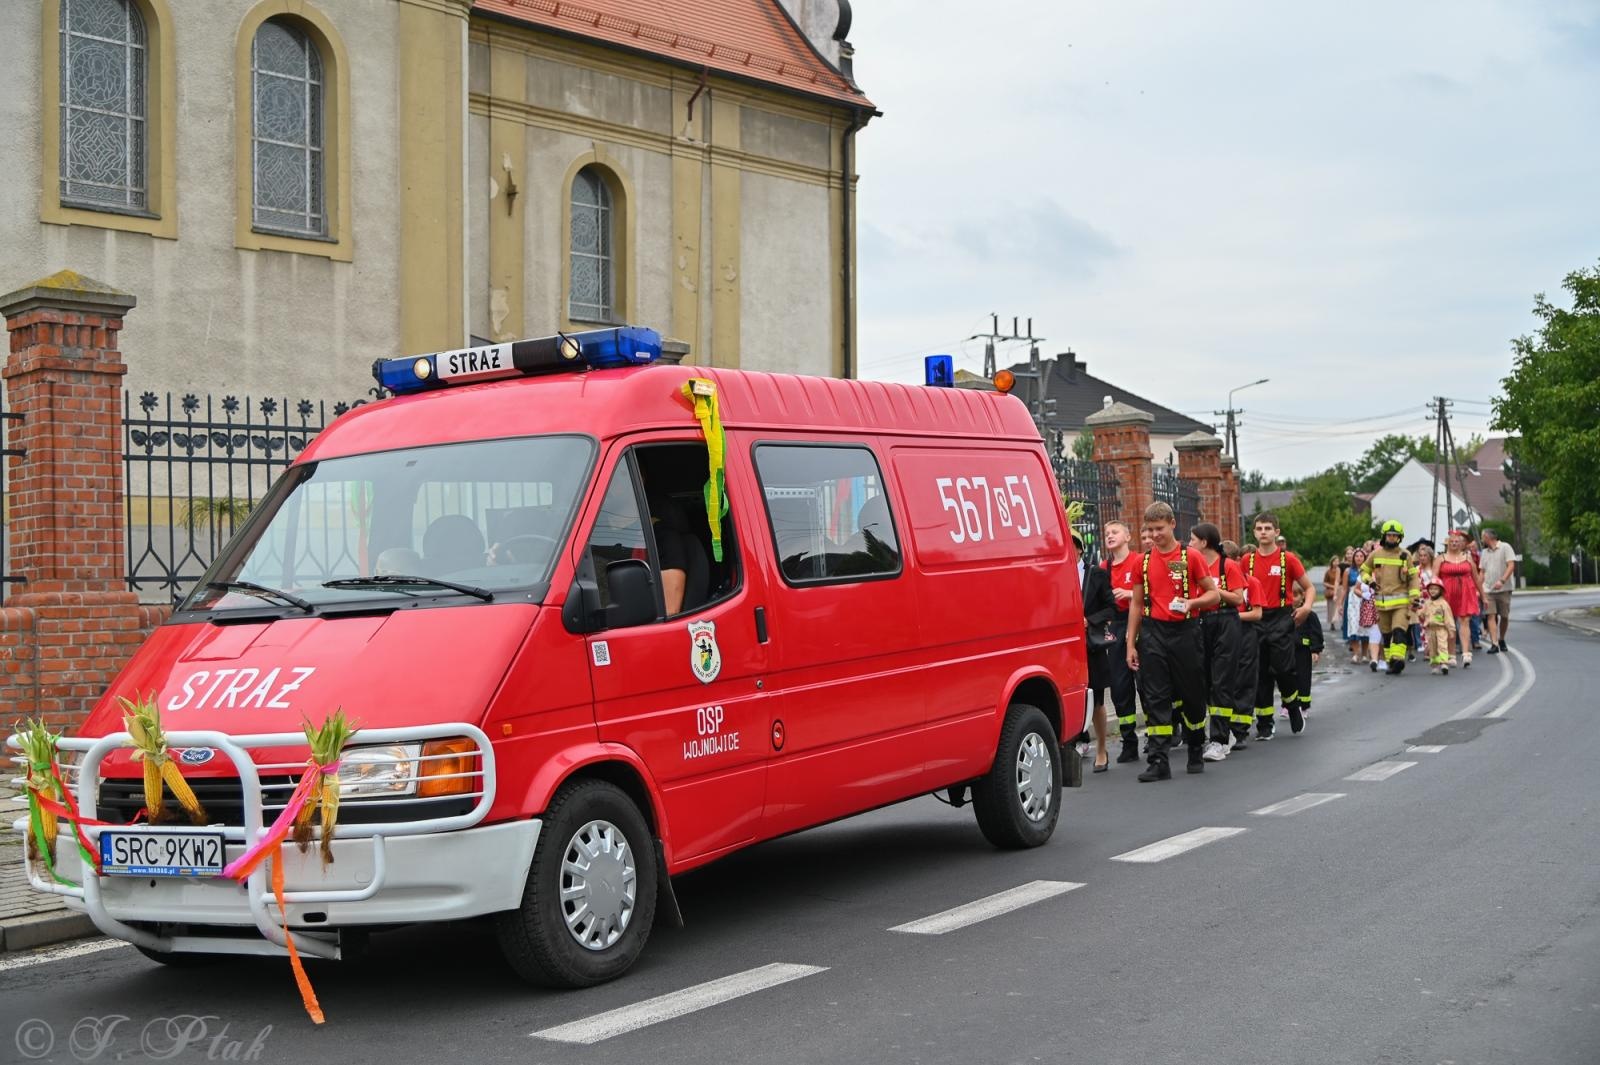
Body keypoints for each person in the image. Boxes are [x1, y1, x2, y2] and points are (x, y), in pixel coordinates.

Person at [1125, 502, 1221, 781]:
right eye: (1150, 530)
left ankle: (1194, 746)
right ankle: (1158, 760)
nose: (1155, 535)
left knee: (1191, 694)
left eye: (1159, 528)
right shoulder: (1141, 561)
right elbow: (1136, 605)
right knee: (1155, 696)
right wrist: (1130, 644)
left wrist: (1192, 602)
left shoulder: (1190, 556)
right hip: (1154, 633)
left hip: (1186, 632)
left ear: (1172, 524)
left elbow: (1213, 595)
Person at [1244, 512, 1316, 738]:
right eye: (1259, 528)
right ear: (1254, 532)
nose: (1263, 532)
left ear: (1276, 532)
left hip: (1281, 617)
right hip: (1256, 617)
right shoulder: (1247, 560)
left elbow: (1310, 588)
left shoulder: (1288, 559)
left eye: (1267, 528)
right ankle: (1265, 722)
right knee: (1260, 672)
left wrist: (1306, 607)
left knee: (1283, 668)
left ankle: (1293, 706)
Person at [1189, 523, 1246, 763]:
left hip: (1226, 622)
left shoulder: (1228, 565)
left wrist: (1215, 591)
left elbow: (1239, 598)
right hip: (1203, 622)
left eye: (1193, 540)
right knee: (1206, 681)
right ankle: (1225, 732)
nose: (1189, 543)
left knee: (1222, 680)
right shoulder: (1196, 566)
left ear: (1204, 542)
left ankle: (1220, 740)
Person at [1100, 520, 1143, 764]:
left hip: (1138, 621)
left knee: (1146, 684)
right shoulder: (1104, 567)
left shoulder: (1138, 561)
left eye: (1114, 532)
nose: (1109, 536)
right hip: (1115, 626)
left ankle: (1159, 735)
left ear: (1127, 535)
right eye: (1106, 533)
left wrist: (1129, 594)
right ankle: (1129, 742)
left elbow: (1153, 591)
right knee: (1119, 686)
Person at [1079, 532, 1120, 772]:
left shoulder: (1097, 574)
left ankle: (1102, 747)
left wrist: (1089, 620)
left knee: (1095, 699)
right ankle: (1078, 743)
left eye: (1074, 546)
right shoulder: (1055, 575)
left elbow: (1111, 609)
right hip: (1066, 649)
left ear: (1080, 549)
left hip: (1091, 645)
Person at [1358, 520, 1421, 675]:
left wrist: (1414, 597)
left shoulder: (1405, 555)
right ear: (1384, 536)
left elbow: (1413, 578)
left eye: (1395, 536)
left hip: (1401, 603)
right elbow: (1363, 570)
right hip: (1382, 603)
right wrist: (1370, 581)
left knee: (1399, 630)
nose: (1392, 538)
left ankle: (1398, 659)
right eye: (1390, 535)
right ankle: (1390, 662)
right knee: (1386, 635)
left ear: (1400, 538)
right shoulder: (1375, 554)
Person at [1226, 541, 1262, 751]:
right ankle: (1226, 728)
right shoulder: (1218, 582)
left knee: (1244, 681)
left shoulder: (1251, 583)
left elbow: (1257, 613)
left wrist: (1232, 616)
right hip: (1225, 634)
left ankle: (1240, 729)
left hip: (1246, 633)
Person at [1437, 530, 1483, 668]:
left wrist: (1483, 595)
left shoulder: (1468, 558)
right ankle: (1450, 654)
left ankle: (1466, 653)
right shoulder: (1441, 559)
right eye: (1451, 542)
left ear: (1461, 544)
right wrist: (1433, 597)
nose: (1454, 543)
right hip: (1447, 593)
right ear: (1447, 543)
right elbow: (1434, 578)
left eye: (1457, 541)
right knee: (1448, 624)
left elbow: (1476, 578)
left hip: (1465, 592)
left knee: (1464, 621)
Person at [1479, 529, 1517, 653]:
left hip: (1504, 589)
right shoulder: (1484, 552)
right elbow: (1482, 572)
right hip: (1488, 589)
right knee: (1491, 615)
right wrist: (1478, 588)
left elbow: (1511, 565)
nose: (1481, 539)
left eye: (1482, 537)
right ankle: (1494, 643)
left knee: (1504, 616)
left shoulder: (1505, 547)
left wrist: (1502, 580)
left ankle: (1502, 639)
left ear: (1487, 537)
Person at [1292, 610, 1324, 718]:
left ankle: (1304, 706)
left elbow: (1316, 633)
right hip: (1288, 650)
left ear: (1302, 597)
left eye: (1296, 595)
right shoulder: (1286, 612)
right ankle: (1288, 706)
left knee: (1303, 678)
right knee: (1288, 678)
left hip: (1303, 651)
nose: (1294, 598)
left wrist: (1315, 650)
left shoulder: (1310, 615)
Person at [1421, 579, 1456, 675]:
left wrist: (1451, 630)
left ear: (1440, 590)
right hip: (1431, 630)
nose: (1433, 591)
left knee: (1442, 645)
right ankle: (1435, 665)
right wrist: (1415, 610)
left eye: (1436, 589)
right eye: (1431, 589)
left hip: (1441, 629)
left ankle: (1444, 663)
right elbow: (1422, 614)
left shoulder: (1443, 604)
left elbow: (1448, 618)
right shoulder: (1427, 603)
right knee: (1433, 647)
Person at [1323, 554, 1345, 628]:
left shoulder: (1341, 571)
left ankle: (1342, 622)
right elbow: (1324, 582)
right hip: (1331, 592)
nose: (1336, 563)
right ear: (1332, 562)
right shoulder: (1328, 571)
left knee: (1340, 607)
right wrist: (1332, 586)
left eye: (1337, 561)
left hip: (1340, 590)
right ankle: (1332, 623)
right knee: (1331, 608)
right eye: (1334, 561)